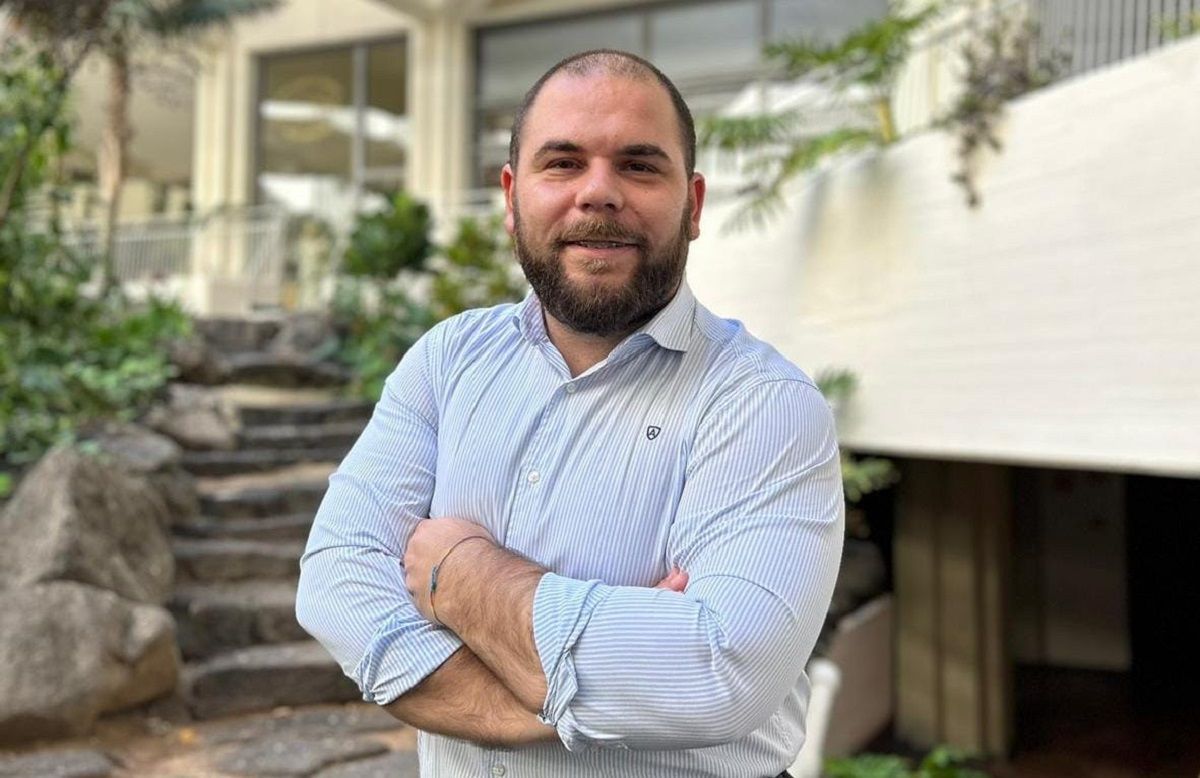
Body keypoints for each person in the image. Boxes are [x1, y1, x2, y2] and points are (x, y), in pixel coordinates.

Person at [296, 49, 844, 778]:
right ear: (511, 197)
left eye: (640, 166)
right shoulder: (447, 362)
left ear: (695, 204)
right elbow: (336, 580)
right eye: (562, 163)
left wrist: (460, 575)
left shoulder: (763, 405)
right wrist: (557, 701)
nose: (599, 193)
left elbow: (719, 670)